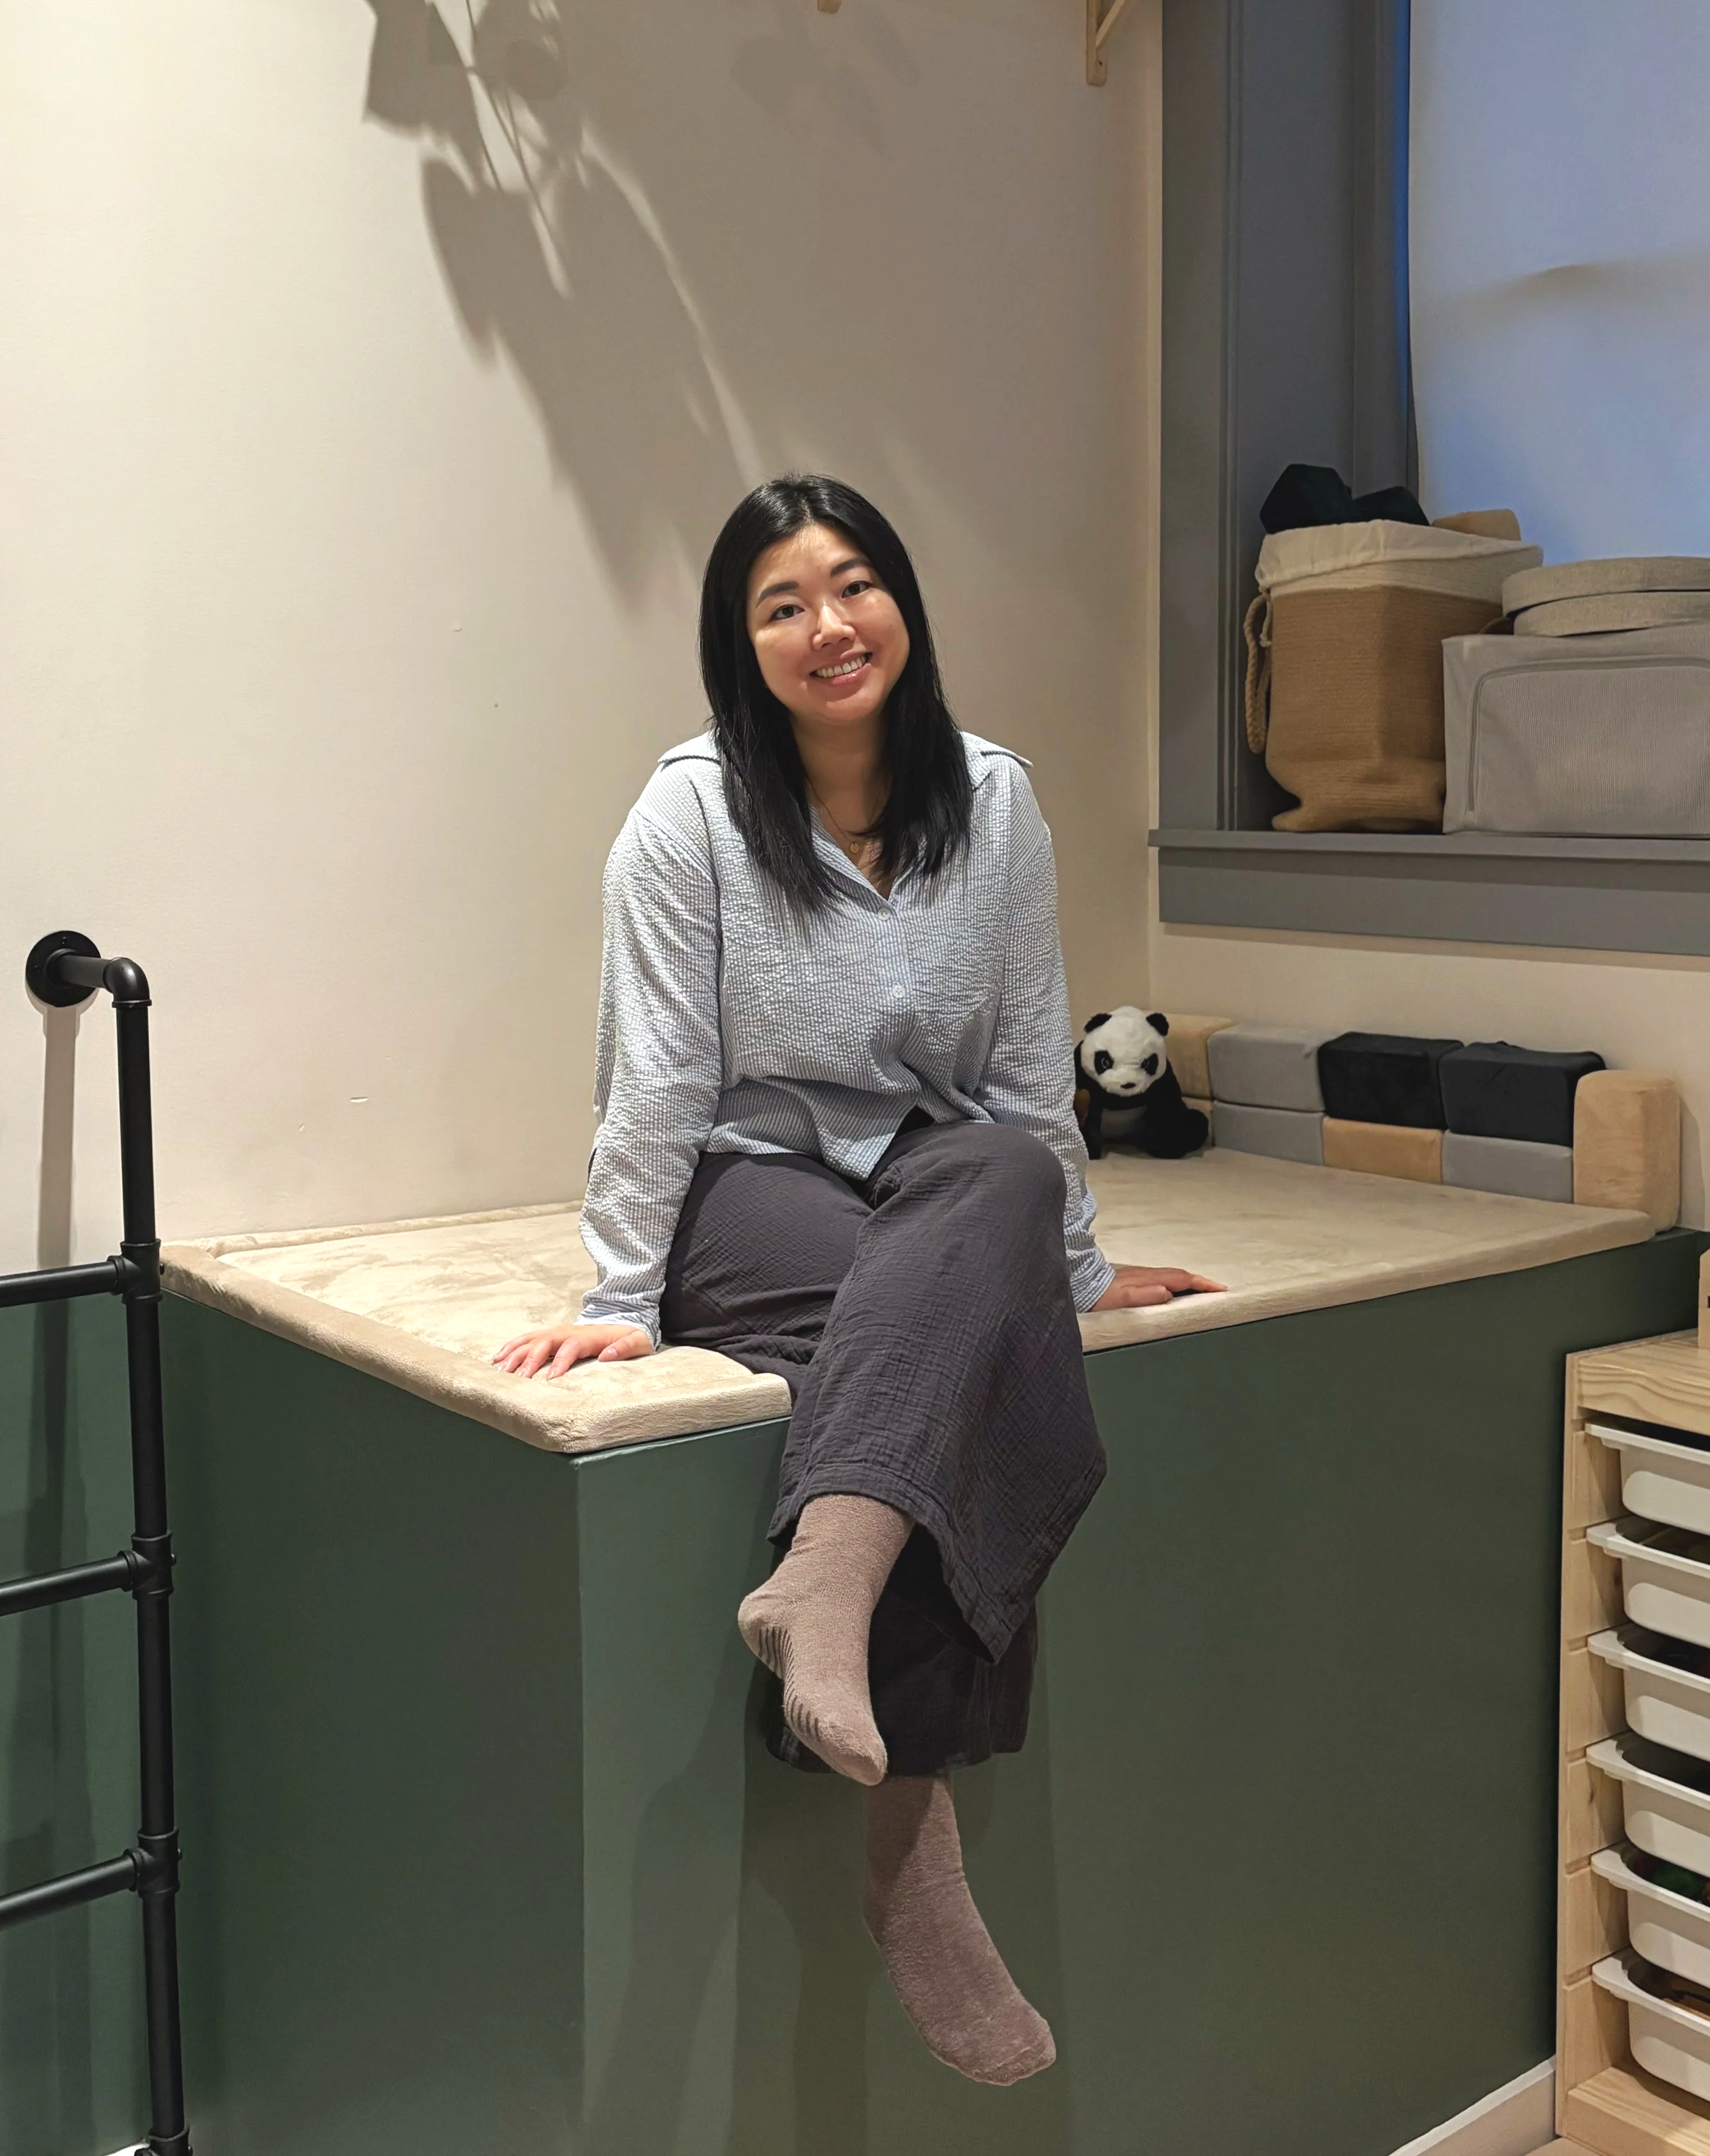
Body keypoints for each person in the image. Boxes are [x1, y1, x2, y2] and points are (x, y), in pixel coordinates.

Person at [495, 475, 1221, 2086]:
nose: (826, 625)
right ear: (738, 643)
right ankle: (911, 1824)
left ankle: (819, 1584)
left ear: (901, 601)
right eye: (778, 602)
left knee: (1008, 1190)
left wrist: (1077, 1270)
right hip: (743, 1194)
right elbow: (659, 1078)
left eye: (852, 585)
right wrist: (622, 1285)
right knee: (969, 1343)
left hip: (933, 1175)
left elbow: (1031, 1067)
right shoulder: (684, 814)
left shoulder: (996, 799)